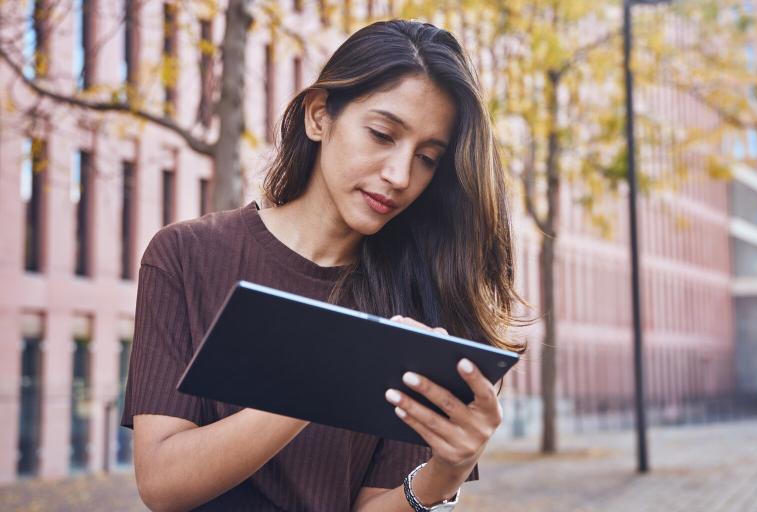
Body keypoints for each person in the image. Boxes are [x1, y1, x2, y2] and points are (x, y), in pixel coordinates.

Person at [121, 19, 525, 512]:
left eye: (426, 157)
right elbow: (162, 482)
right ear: (319, 116)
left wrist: (447, 472)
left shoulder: (417, 307)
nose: (399, 175)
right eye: (382, 134)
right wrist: (335, 370)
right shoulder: (186, 255)